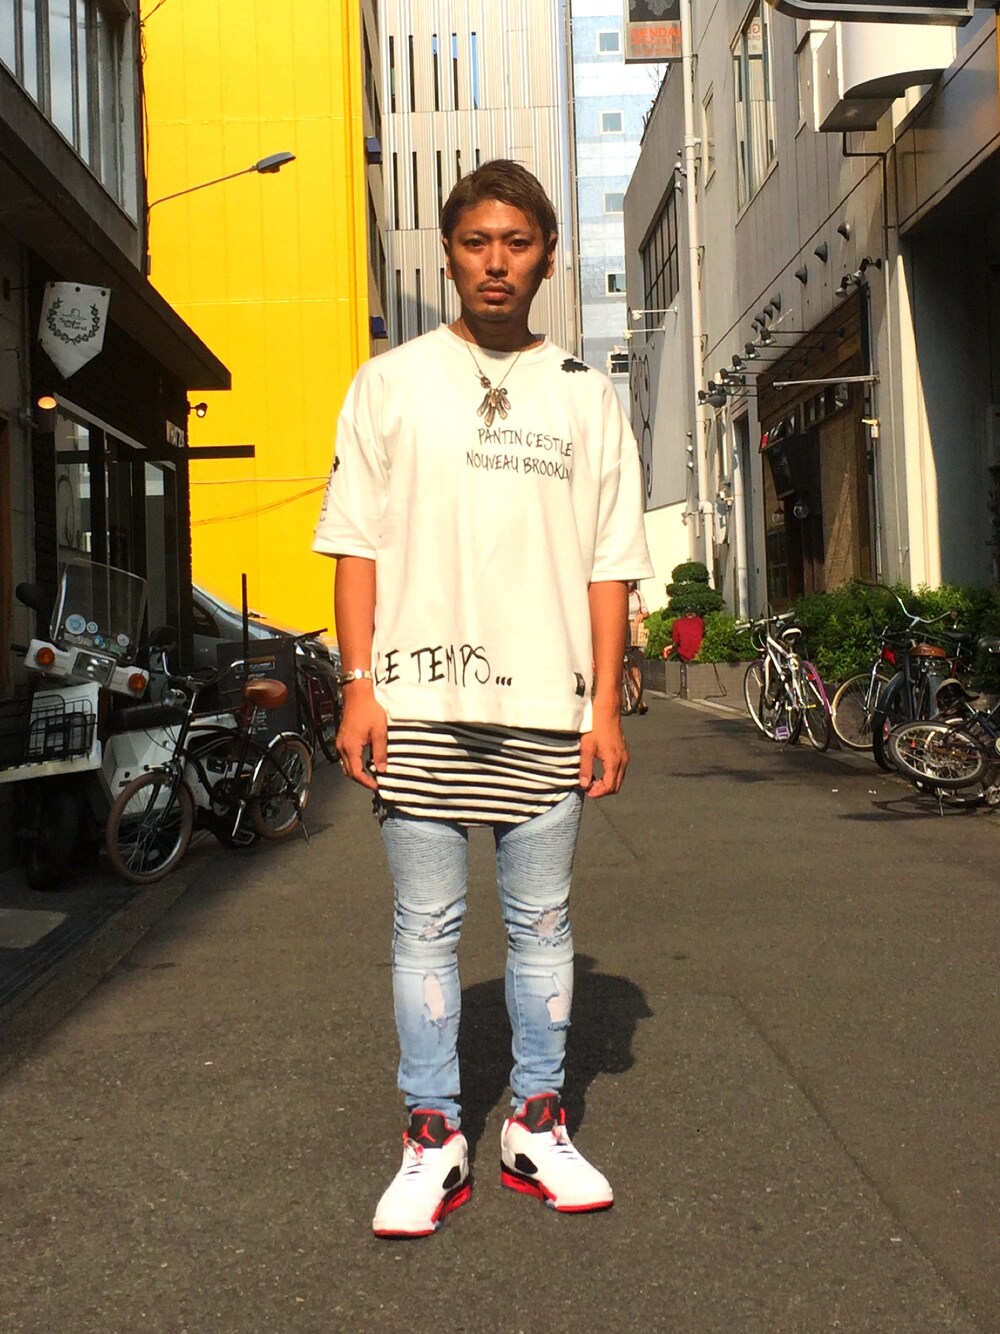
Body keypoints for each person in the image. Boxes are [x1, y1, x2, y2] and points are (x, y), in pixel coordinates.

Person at [313, 159, 652, 1239]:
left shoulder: (584, 393)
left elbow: (610, 563)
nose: (495, 261)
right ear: (449, 253)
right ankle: (433, 1133)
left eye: (516, 241)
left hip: (548, 705)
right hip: (414, 700)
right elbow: (355, 546)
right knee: (425, 927)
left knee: (543, 926)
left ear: (547, 256)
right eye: (475, 242)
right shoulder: (389, 383)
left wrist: (605, 710)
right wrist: (357, 688)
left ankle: (536, 1124)